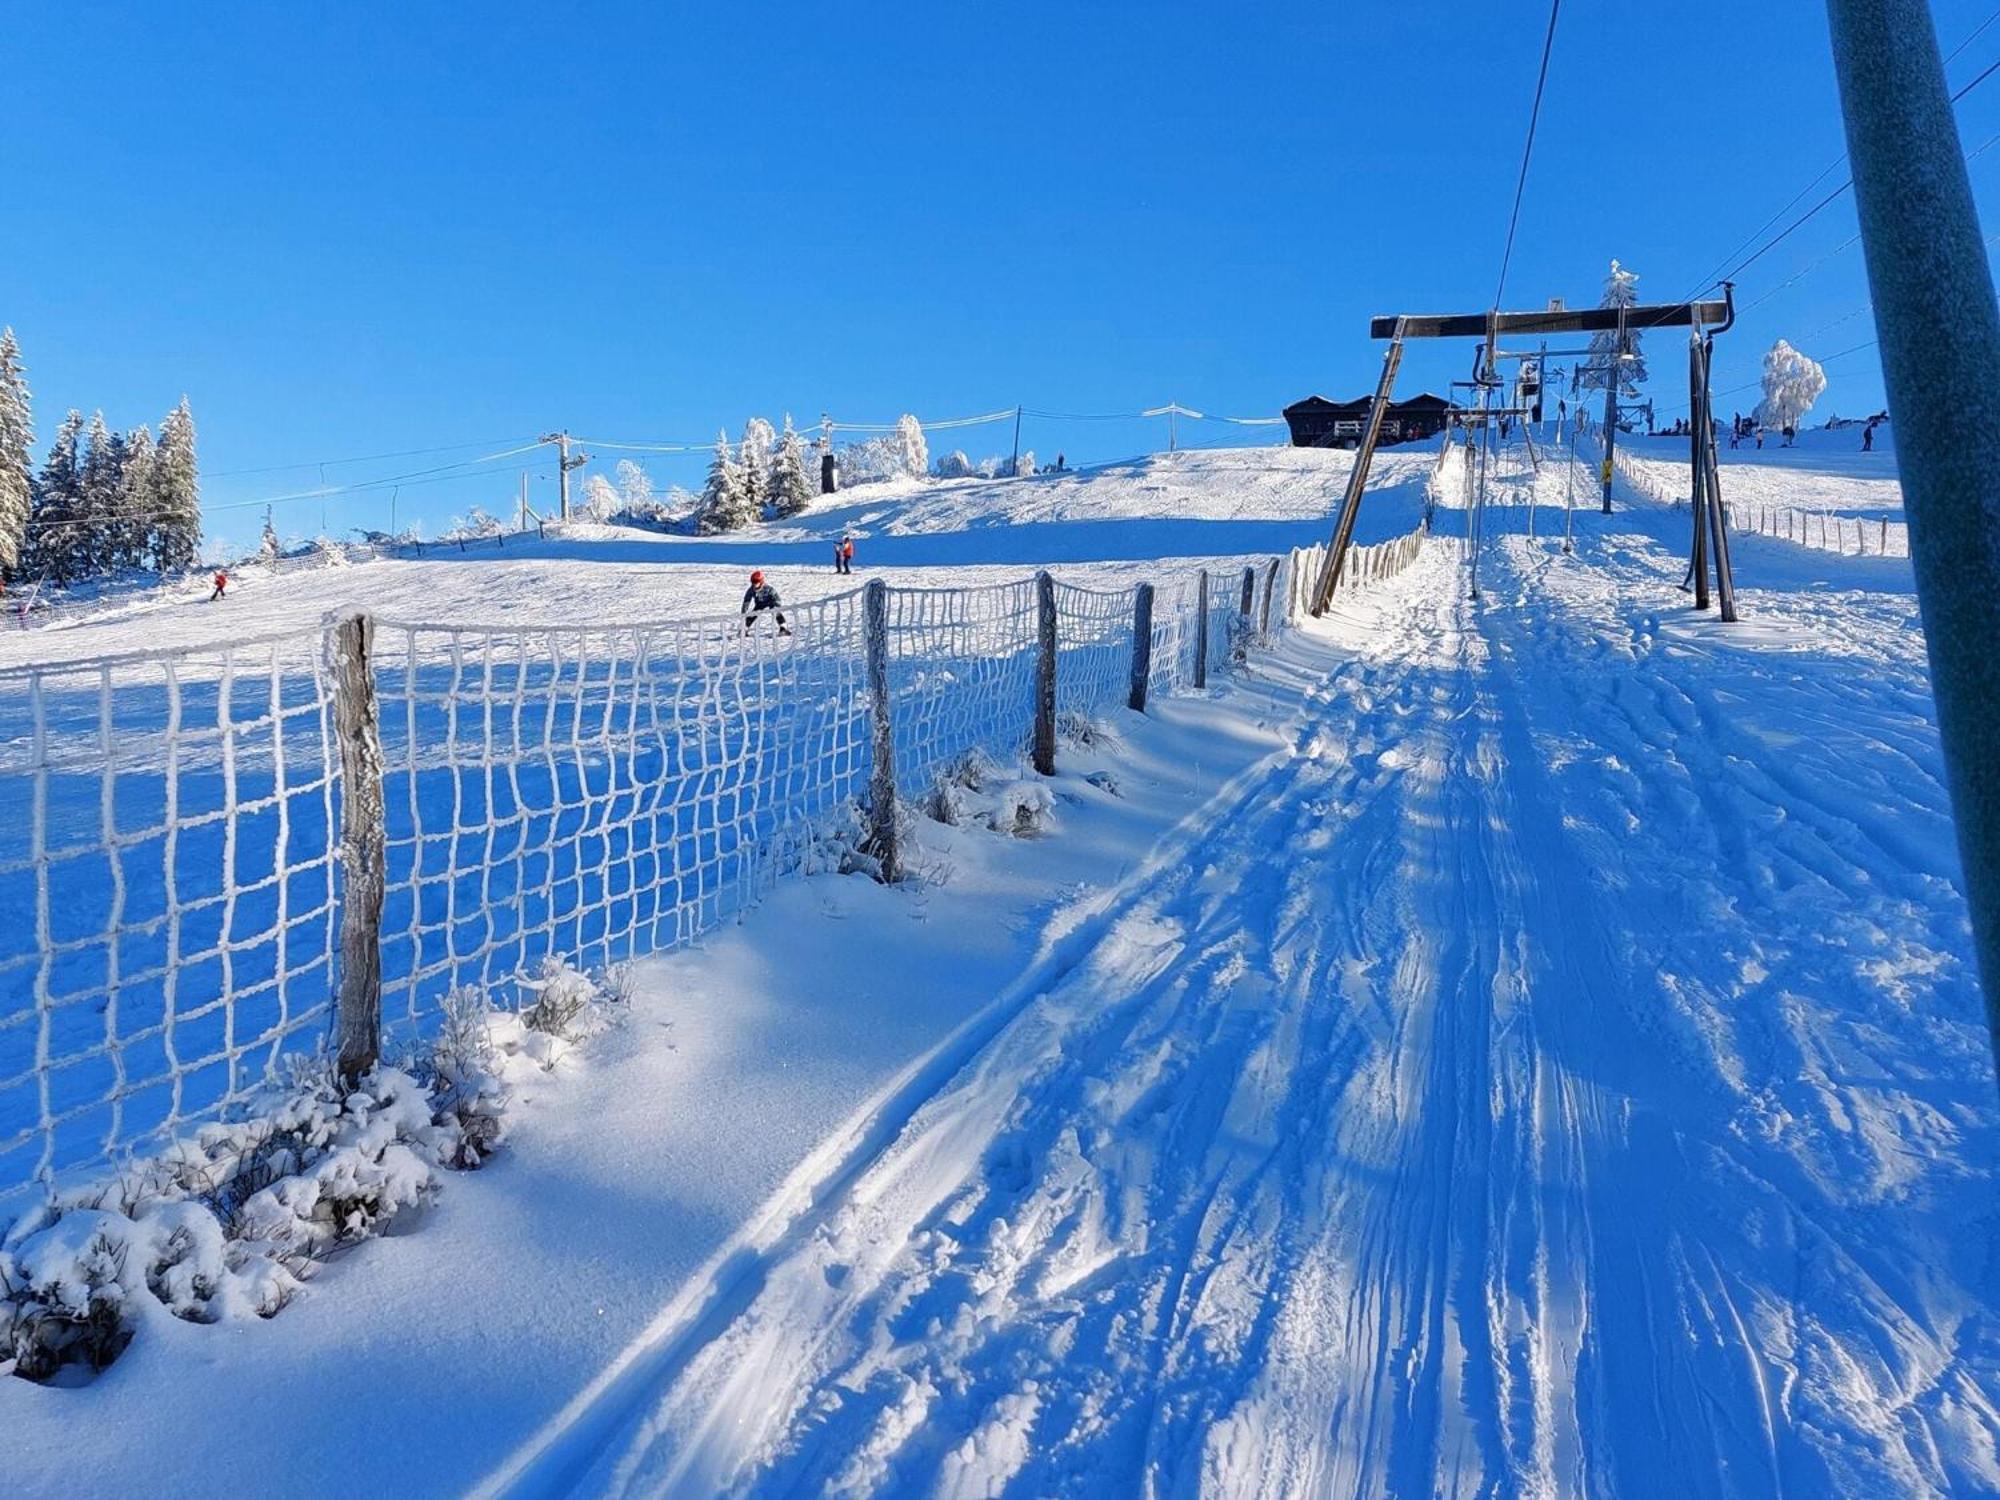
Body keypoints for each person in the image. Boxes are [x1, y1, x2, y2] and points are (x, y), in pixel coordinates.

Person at [741, 570, 790, 636]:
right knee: (753, 614)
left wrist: (776, 605)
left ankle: (783, 628)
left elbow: (777, 598)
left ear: (761, 582)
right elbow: (747, 600)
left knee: (776, 612)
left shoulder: (768, 589)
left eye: (756, 582)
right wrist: (744, 612)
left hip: (771, 602)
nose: (754, 584)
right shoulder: (751, 590)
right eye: (753, 582)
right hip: (759, 604)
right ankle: (744, 629)